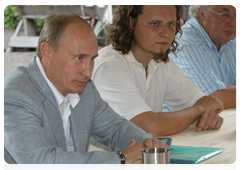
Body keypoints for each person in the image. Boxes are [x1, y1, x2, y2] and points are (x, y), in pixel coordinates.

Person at [4, 14, 169, 170]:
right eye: (79, 58)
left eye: (92, 59)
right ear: (47, 52)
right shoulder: (15, 95)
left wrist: (148, 143)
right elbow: (41, 163)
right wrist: (118, 161)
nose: (88, 72)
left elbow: (115, 129)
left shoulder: (85, 88)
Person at [92, 5, 224, 137]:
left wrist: (206, 113)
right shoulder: (109, 66)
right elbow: (147, 127)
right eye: (155, 24)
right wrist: (199, 111)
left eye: (171, 24)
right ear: (131, 23)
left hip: (143, 155)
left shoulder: (160, 62)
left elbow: (208, 103)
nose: (165, 33)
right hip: (110, 157)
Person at [169, 5, 238, 109]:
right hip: (180, 124)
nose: (233, 23)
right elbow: (213, 99)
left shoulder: (233, 38)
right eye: (224, 15)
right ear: (202, 13)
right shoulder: (186, 43)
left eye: (237, 15)